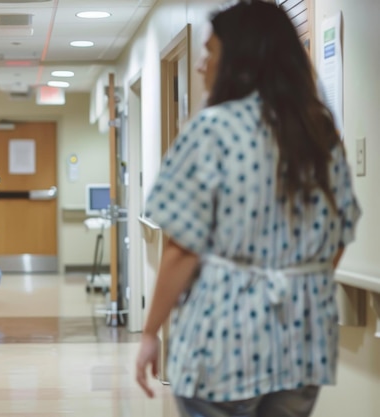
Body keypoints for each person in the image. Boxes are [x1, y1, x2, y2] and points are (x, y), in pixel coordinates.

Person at [135, 2, 361, 417]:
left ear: (240, 59)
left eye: (211, 51)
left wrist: (151, 333)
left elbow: (181, 247)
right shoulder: (321, 132)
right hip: (305, 338)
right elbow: (339, 237)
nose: (202, 65)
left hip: (224, 337)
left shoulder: (212, 129)